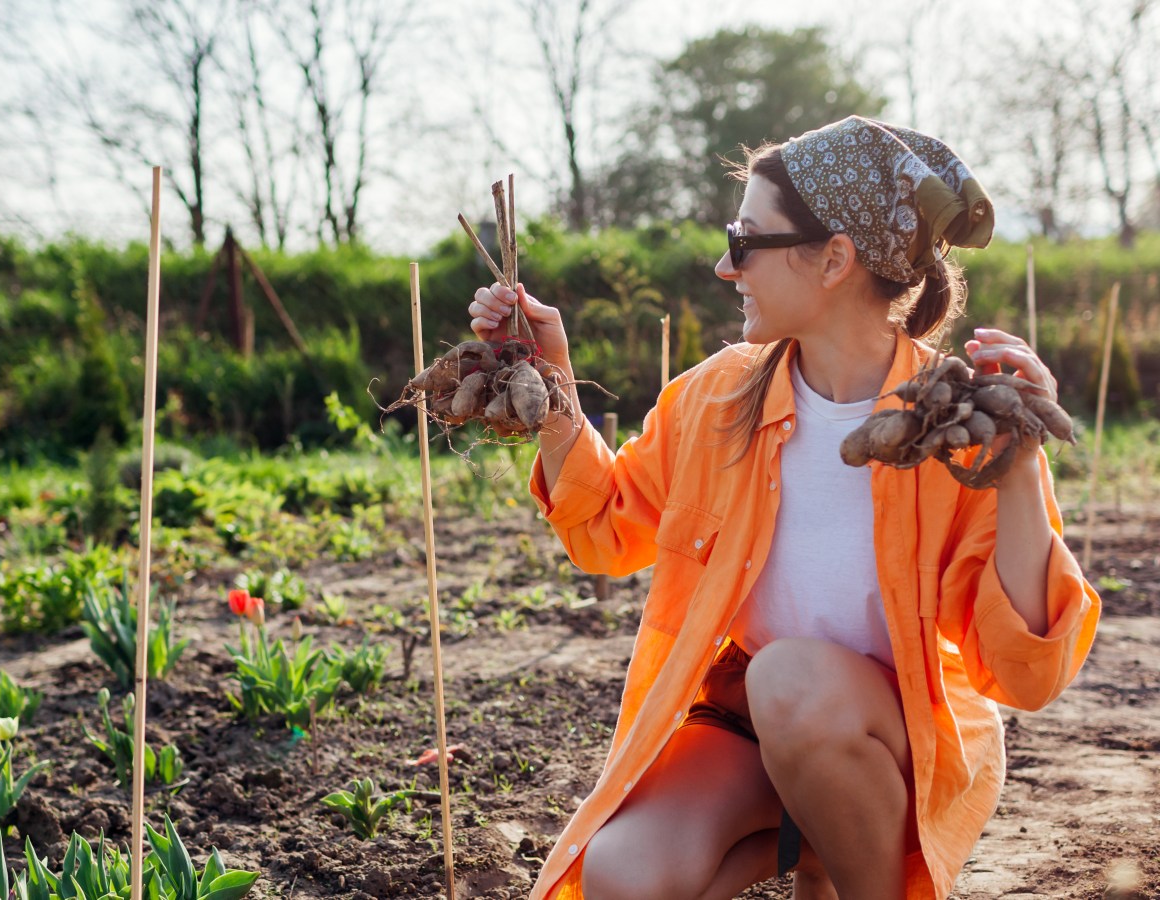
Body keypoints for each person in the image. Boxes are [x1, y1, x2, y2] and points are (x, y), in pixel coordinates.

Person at [468, 116, 1100, 900]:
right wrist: (552, 383)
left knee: (792, 679)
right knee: (623, 874)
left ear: (834, 258)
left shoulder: (953, 418)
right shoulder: (716, 398)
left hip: (898, 737)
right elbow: (606, 532)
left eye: (744, 239)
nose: (723, 266)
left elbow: (1025, 673)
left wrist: (1019, 469)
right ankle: (817, 845)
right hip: (758, 722)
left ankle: (860, 878)